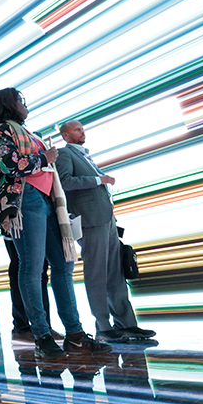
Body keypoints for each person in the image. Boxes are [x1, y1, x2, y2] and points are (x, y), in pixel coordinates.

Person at [0, 88, 111, 361]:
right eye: (21, 101)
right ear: (9, 105)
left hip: (48, 201)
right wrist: (44, 158)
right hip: (24, 200)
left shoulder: (28, 133)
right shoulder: (0, 131)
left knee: (63, 265)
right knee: (31, 267)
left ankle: (75, 335)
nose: (25, 106)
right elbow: (8, 164)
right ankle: (40, 336)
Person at [57, 120, 156, 343]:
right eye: (77, 130)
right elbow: (65, 182)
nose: (82, 132)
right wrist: (98, 179)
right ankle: (103, 327)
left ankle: (127, 324)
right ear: (65, 136)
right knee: (97, 274)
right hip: (90, 221)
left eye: (82, 129)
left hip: (107, 220)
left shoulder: (85, 156)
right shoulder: (65, 155)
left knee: (115, 273)